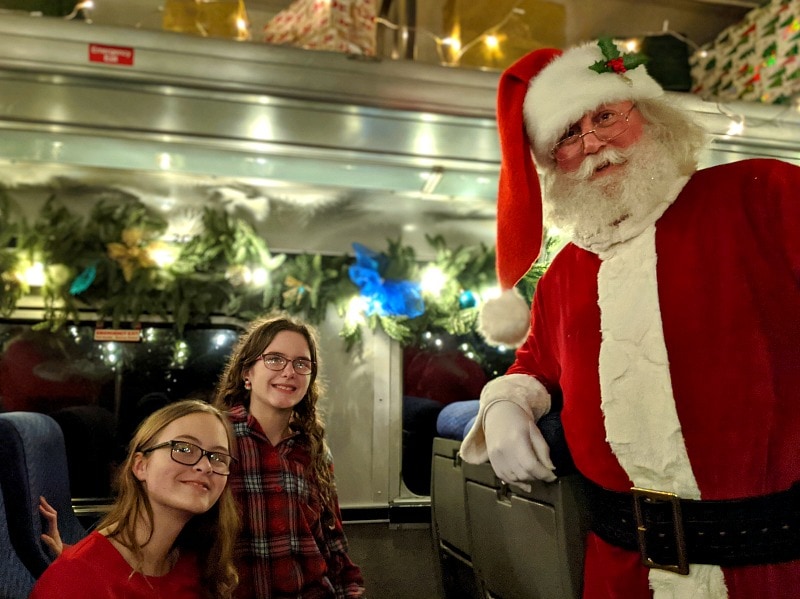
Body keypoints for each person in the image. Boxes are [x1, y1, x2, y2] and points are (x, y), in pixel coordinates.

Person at [460, 39, 800, 599]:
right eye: (567, 135)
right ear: (549, 165)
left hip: (774, 567)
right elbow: (535, 364)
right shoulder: (563, 273)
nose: (592, 142)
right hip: (621, 573)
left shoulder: (764, 194)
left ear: (652, 115)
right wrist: (504, 402)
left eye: (605, 116)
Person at [213, 314, 365, 598]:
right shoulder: (216, 438)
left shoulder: (314, 449)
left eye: (301, 363)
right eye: (274, 359)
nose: (289, 372)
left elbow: (333, 545)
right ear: (247, 373)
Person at [29, 399, 240, 599]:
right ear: (141, 466)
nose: (205, 466)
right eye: (183, 449)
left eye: (218, 457)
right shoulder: (75, 579)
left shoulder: (200, 564)